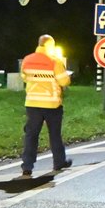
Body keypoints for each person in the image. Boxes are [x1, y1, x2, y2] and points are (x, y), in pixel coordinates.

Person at [18, 34, 73, 177]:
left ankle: (27, 166)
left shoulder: (27, 60)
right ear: (49, 45)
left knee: (31, 135)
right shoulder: (54, 61)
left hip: (32, 104)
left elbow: (24, 76)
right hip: (52, 104)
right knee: (54, 134)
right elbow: (64, 82)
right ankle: (59, 162)